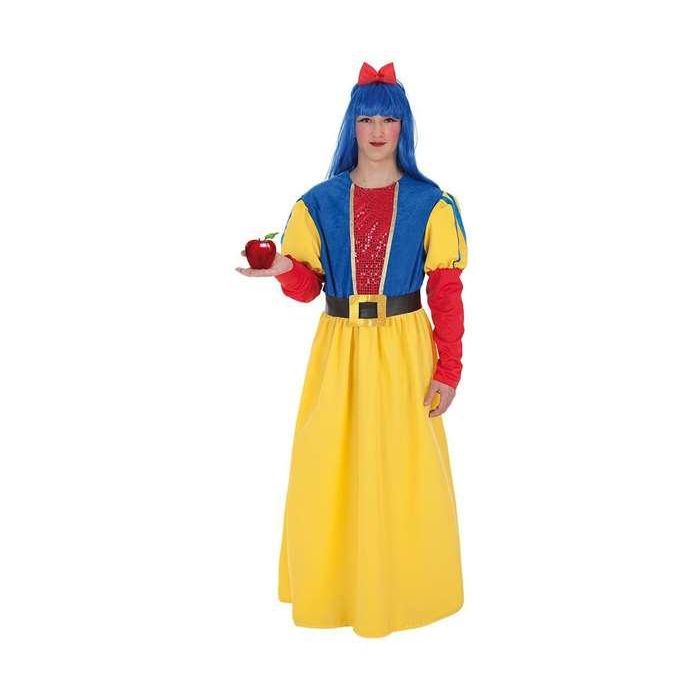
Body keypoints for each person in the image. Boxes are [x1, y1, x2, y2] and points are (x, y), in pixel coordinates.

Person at [235, 61, 468, 638]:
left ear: (403, 126)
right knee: (329, 465)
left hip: (404, 348)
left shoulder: (430, 202)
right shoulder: (319, 202)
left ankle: (402, 591)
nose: (378, 130)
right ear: (351, 126)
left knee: (402, 468)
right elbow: (308, 286)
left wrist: (449, 367)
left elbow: (445, 291)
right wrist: (283, 267)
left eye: (389, 118)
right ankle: (335, 590)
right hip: (339, 349)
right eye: (367, 119)